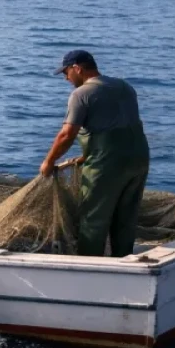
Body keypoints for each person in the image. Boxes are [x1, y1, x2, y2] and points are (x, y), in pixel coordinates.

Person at [40, 50, 151, 257]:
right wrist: (86, 155)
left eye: (66, 72)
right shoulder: (124, 86)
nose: (66, 78)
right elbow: (115, 126)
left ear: (77, 68)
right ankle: (124, 262)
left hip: (107, 164)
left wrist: (49, 161)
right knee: (125, 217)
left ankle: (90, 266)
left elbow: (67, 134)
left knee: (93, 219)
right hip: (139, 159)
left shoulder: (81, 94)